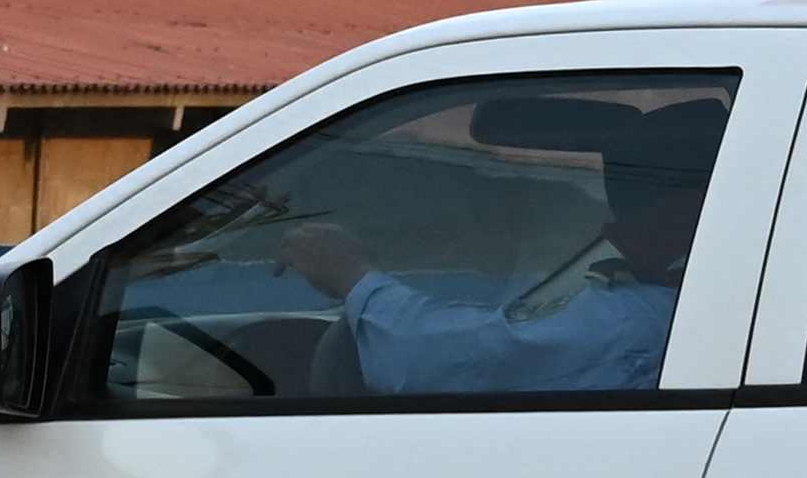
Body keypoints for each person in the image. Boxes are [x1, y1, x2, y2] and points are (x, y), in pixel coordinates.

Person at [279, 101, 724, 393]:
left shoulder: (644, 324)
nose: (613, 230)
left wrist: (352, 278)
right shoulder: (710, 302)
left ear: (693, 205)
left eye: (637, 206)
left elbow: (454, 360)